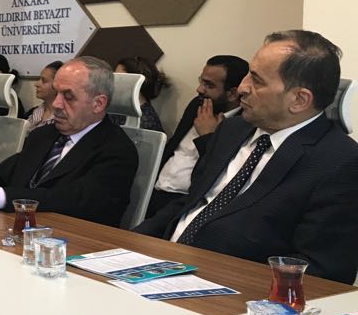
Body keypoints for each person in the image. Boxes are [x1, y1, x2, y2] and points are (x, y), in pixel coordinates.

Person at [134, 30, 358, 284]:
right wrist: (130, 242)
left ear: (299, 99)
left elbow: (321, 273)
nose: (242, 88)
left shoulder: (339, 163)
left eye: (257, 81)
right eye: (248, 74)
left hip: (229, 289)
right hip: (161, 266)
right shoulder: (232, 129)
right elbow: (192, 202)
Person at [0, 57, 138, 226]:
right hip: (20, 232)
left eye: (68, 96)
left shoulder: (117, 149)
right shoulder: (44, 135)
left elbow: (72, 200)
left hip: (75, 243)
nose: (57, 104)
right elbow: (1, 175)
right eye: (56, 93)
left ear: (98, 104)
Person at [146, 55, 249, 217]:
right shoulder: (197, 104)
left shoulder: (243, 123)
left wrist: (208, 137)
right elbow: (174, 145)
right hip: (155, 189)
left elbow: (217, 176)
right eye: (201, 81)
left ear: (232, 94)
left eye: (209, 85)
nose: (199, 89)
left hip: (185, 203)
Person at [111, 56, 167, 132]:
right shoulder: (118, 105)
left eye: (120, 78)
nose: (113, 82)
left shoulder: (146, 121)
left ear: (137, 83)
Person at [24, 61, 63, 132]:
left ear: (57, 86)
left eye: (44, 81)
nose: (36, 84)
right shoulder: (31, 113)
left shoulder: (63, 120)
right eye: (39, 79)